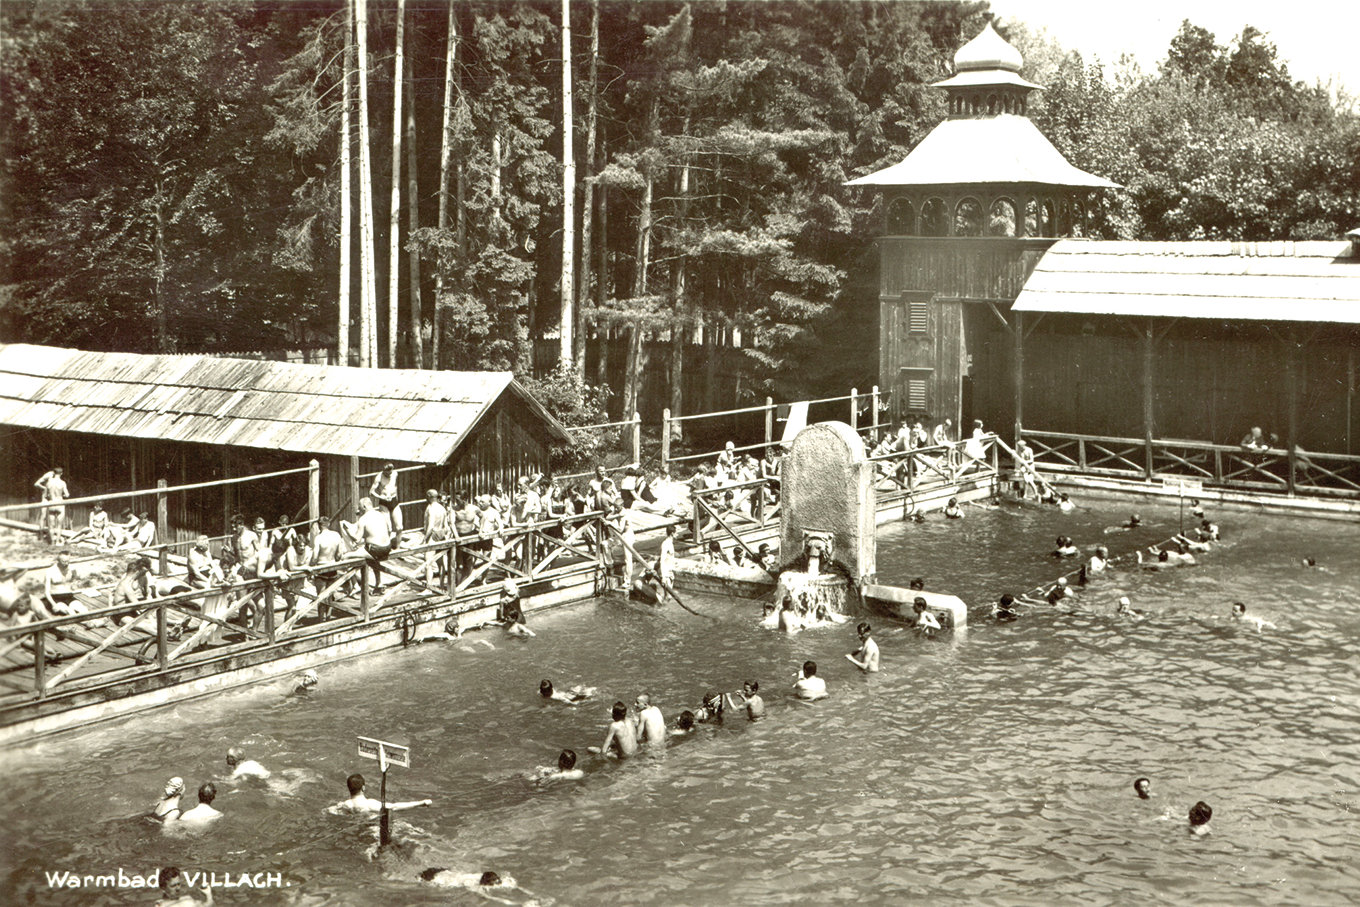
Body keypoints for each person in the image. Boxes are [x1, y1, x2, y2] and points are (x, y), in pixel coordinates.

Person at [331, 773, 432, 813]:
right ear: (363, 787)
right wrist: (421, 803)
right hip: (373, 830)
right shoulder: (370, 804)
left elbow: (328, 810)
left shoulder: (345, 805)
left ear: (349, 788)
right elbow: (394, 807)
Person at [354, 497, 393, 596]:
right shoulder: (381, 514)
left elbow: (357, 539)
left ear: (364, 506)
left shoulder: (363, 519)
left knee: (347, 556)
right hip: (387, 547)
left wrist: (348, 532)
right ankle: (379, 583)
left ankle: (356, 586)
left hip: (375, 549)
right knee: (373, 559)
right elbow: (389, 530)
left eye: (360, 507)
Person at [35, 466, 69, 545]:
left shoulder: (49, 483)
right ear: (61, 473)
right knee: (59, 525)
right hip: (60, 504)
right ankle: (57, 542)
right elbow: (67, 494)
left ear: (54, 473)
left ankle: (52, 543)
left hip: (51, 504)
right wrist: (63, 495)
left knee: (51, 525)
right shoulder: (63, 483)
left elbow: (46, 495)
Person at [371, 463, 403, 546]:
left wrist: (394, 495)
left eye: (390, 473)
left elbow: (395, 486)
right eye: (387, 473)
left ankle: (398, 549)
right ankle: (387, 548)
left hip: (394, 501)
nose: (389, 475)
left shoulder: (395, 473)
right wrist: (381, 497)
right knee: (389, 529)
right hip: (384, 502)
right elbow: (371, 492)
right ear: (384, 471)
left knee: (399, 527)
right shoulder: (379, 477)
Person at [43, 551, 80, 616]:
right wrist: (53, 604)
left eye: (68, 561)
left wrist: (74, 584)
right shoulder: (50, 571)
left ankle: (93, 624)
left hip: (69, 596)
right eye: (64, 561)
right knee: (70, 612)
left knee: (84, 610)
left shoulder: (72, 570)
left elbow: (74, 584)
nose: (66, 563)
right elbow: (46, 592)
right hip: (55, 598)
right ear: (58, 560)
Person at [658, 524, 677, 590]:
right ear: (672, 533)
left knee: (668, 597)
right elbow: (662, 560)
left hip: (670, 572)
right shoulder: (666, 544)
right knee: (668, 596)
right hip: (666, 573)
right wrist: (663, 576)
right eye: (676, 533)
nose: (677, 534)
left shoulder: (670, 543)